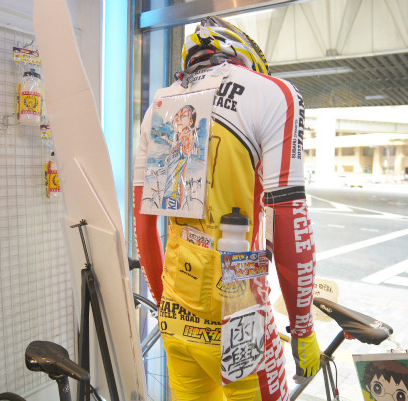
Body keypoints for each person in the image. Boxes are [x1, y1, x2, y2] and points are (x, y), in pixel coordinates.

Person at [133, 16, 320, 400]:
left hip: (176, 314)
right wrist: (303, 329)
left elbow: (143, 224)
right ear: (247, 59)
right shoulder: (273, 93)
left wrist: (165, 303)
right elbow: (289, 219)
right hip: (240, 315)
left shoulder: (160, 107)